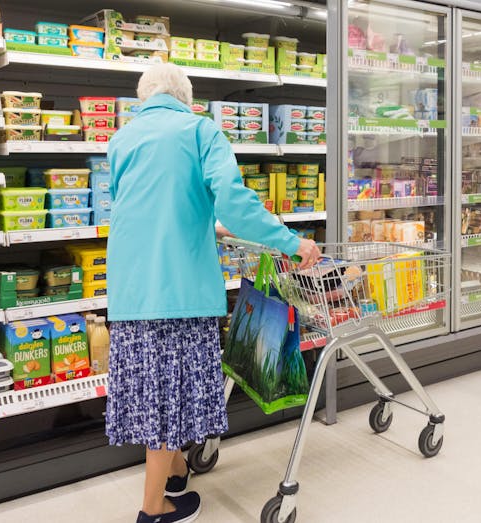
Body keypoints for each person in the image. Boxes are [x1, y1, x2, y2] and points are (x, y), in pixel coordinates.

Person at [105, 63, 321, 523]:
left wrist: (205, 221)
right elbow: (237, 202)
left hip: (129, 291)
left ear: (144, 98)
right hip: (178, 292)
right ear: (187, 98)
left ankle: (177, 474)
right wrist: (292, 241)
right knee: (168, 399)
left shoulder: (122, 138)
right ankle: (153, 509)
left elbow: (147, 204)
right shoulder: (199, 130)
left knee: (154, 392)